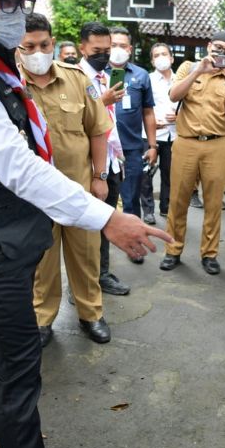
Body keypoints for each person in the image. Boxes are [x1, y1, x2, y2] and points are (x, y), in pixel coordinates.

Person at [0, 0, 169, 448]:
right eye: (3, 2)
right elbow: (18, 166)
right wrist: (109, 218)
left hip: (1, 238)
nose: (17, 13)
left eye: (20, 2)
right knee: (15, 373)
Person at [18, 13, 113, 346]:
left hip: (80, 188)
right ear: (18, 46)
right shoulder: (9, 83)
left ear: (53, 42)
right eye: (29, 46)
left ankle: (91, 314)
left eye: (44, 44)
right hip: (35, 195)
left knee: (86, 254)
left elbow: (99, 130)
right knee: (42, 261)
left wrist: (100, 177)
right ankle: (43, 320)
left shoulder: (77, 79)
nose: (38, 52)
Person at [159, 31, 225, 275]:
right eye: (217, 47)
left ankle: (209, 254)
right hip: (186, 142)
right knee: (178, 199)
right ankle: (173, 249)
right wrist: (199, 71)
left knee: (213, 202)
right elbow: (173, 95)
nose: (220, 53)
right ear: (208, 46)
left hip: (217, 144)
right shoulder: (188, 67)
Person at [78, 22, 132, 296]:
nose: (103, 55)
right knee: (84, 229)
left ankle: (102, 274)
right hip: (86, 165)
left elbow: (110, 125)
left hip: (110, 162)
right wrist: (104, 102)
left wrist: (117, 161)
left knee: (106, 220)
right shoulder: (75, 77)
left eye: (106, 50)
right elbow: (74, 121)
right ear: (82, 48)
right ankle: (82, 283)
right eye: (96, 50)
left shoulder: (104, 77)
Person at [107, 26, 158, 264]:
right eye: (113, 45)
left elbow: (148, 112)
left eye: (122, 45)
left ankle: (134, 246)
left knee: (131, 199)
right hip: (103, 148)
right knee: (102, 199)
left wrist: (152, 145)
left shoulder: (140, 75)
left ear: (130, 49)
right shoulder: (95, 73)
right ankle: (98, 253)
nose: (118, 50)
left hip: (132, 148)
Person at [141, 42, 177, 225]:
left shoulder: (181, 80)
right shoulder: (146, 79)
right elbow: (142, 107)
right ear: (152, 61)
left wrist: (178, 117)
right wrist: (153, 121)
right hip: (150, 135)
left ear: (172, 58)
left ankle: (166, 207)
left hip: (174, 135)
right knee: (146, 174)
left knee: (170, 174)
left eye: (164, 54)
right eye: (157, 55)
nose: (161, 57)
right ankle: (148, 210)